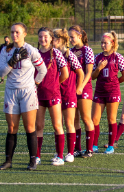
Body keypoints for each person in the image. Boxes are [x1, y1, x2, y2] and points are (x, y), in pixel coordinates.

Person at [0, 23, 47, 170]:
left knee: (29, 126)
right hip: (11, 91)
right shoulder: (6, 50)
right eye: (12, 32)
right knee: (12, 127)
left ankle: (33, 160)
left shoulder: (30, 50)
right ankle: (8, 161)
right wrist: (12, 61)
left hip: (27, 92)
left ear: (24, 34)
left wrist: (36, 83)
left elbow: (42, 69)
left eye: (18, 32)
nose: (15, 35)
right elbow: (1, 73)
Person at [35, 27, 69, 166]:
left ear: (51, 39)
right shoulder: (34, 53)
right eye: (41, 37)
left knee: (57, 125)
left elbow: (65, 74)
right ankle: (36, 156)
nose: (43, 39)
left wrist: (54, 83)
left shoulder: (56, 53)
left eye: (46, 37)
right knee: (38, 126)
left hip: (53, 94)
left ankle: (60, 156)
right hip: (37, 94)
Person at [91, 31, 124, 154]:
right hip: (99, 91)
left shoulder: (118, 57)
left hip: (113, 92)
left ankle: (111, 146)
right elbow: (93, 77)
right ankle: (94, 145)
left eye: (105, 43)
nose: (103, 45)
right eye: (101, 43)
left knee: (111, 119)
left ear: (112, 43)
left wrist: (116, 82)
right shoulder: (97, 57)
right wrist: (98, 68)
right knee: (94, 119)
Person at [52, 28, 84, 162]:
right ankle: (59, 152)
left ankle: (70, 153)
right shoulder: (51, 54)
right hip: (55, 94)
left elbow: (81, 73)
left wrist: (78, 88)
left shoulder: (69, 55)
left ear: (58, 40)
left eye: (52, 38)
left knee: (69, 123)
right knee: (57, 124)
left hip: (68, 93)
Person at [68, 25, 95, 158]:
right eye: (69, 37)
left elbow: (89, 72)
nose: (70, 40)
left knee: (86, 118)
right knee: (75, 119)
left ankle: (89, 149)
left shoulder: (87, 50)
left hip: (84, 88)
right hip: (72, 88)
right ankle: (77, 148)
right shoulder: (70, 51)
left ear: (79, 36)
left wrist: (80, 86)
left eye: (72, 37)